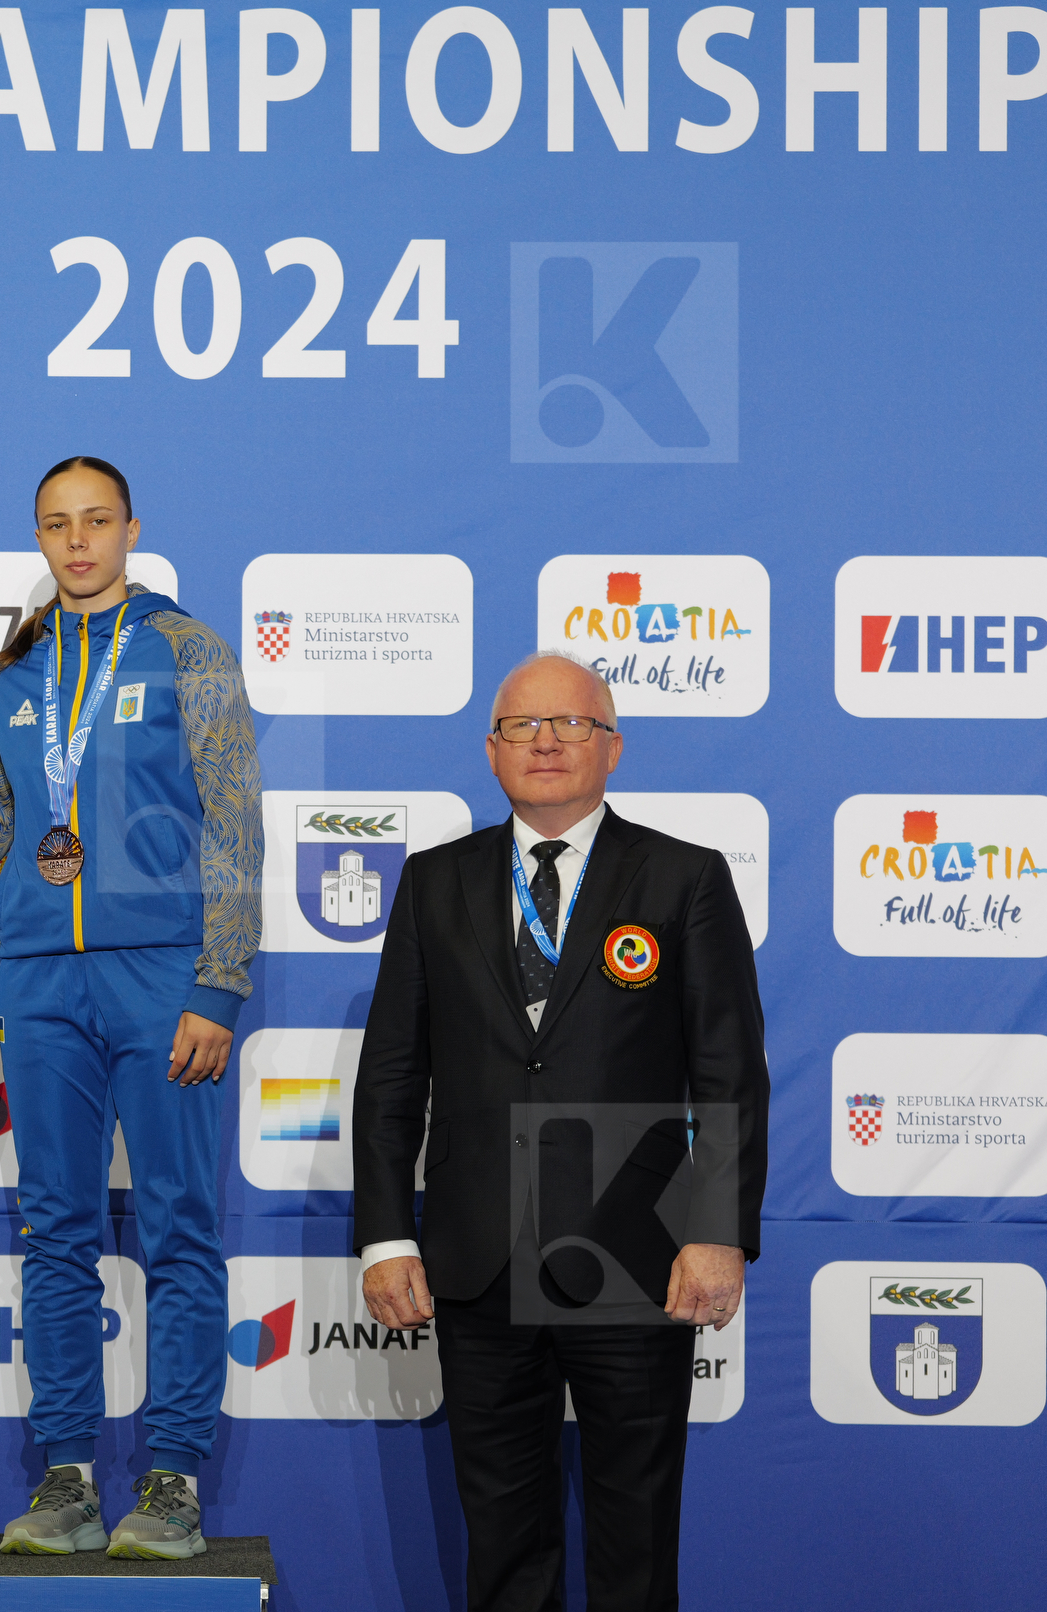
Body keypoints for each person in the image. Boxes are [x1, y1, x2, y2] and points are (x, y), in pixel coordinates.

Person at [352, 650, 768, 1612]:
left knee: (636, 1535)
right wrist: (384, 1234)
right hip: (475, 1256)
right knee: (501, 1536)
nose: (544, 742)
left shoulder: (684, 879)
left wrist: (715, 1231)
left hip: (637, 1254)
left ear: (611, 746)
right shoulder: (432, 883)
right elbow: (389, 1079)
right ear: (489, 754)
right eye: (520, 728)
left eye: (570, 724)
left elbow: (729, 1073)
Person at [0, 456, 261, 1561]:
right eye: (56, 523)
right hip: (41, 977)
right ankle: (67, 1476)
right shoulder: (15, 668)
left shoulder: (189, 649)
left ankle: (173, 1475)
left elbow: (234, 824)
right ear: (36, 535)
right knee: (56, 1231)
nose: (78, 540)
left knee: (181, 1226)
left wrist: (218, 982)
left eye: (96, 520)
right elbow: (2, 844)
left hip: (163, 974)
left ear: (130, 527)